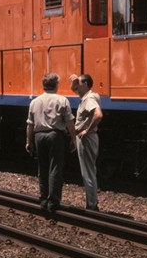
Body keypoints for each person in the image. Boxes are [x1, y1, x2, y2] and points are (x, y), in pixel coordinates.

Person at [25, 73, 76, 213]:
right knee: (55, 167)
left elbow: (30, 124)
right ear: (56, 85)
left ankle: (43, 200)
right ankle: (53, 202)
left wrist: (28, 141)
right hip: (55, 136)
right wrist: (74, 139)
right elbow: (69, 122)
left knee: (43, 168)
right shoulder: (62, 100)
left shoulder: (34, 102)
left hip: (39, 136)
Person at [70, 74, 104, 211]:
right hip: (87, 137)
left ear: (85, 84)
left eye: (78, 82)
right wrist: (73, 82)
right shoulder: (87, 96)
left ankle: (92, 205)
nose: (76, 85)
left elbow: (98, 115)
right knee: (90, 171)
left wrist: (86, 131)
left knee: (88, 172)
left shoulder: (89, 98)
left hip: (87, 138)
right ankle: (92, 202)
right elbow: (74, 89)